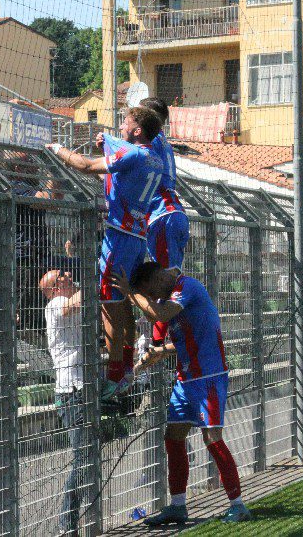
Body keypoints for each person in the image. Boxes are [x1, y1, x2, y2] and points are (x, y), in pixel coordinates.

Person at [115, 263, 252, 525]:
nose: (153, 297)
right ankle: (178, 506)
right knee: (173, 437)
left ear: (156, 279)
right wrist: (156, 354)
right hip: (186, 379)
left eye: (150, 290)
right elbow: (184, 337)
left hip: (208, 377)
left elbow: (162, 314)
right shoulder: (168, 295)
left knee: (211, 438)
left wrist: (131, 293)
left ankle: (238, 504)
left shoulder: (187, 287)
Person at [49, 107, 164, 400]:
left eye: (126, 122)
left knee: (109, 308)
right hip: (137, 237)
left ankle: (115, 376)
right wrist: (108, 140)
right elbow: (122, 146)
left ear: (138, 131)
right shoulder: (154, 157)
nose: (122, 125)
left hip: (120, 240)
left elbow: (86, 166)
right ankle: (124, 367)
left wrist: (57, 149)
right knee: (121, 304)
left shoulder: (134, 155)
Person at [137, 97, 191, 350]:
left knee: (166, 278)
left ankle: (157, 339)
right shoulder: (163, 143)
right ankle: (164, 334)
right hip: (171, 213)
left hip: (163, 215)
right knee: (171, 273)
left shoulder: (152, 141)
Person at [39, 269, 90, 536]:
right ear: (54, 288)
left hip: (81, 387)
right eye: (61, 275)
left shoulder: (69, 303)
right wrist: (97, 277)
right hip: (72, 391)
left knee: (87, 456)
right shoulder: (56, 304)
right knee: (83, 457)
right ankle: (66, 525)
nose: (69, 274)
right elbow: (77, 302)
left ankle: (78, 519)